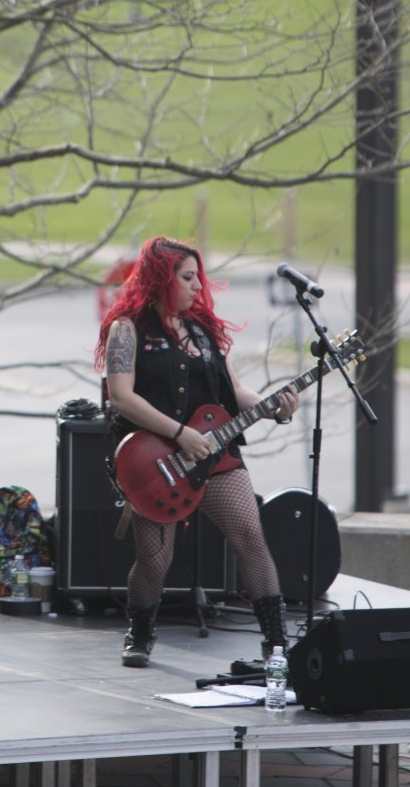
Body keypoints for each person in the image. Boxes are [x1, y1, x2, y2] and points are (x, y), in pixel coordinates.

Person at [95, 236, 299, 669]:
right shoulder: (128, 328)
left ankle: (276, 646)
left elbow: (235, 391)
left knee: (250, 535)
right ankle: (141, 631)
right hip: (156, 461)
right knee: (154, 560)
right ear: (161, 278)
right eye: (187, 278)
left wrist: (274, 405)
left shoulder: (204, 331)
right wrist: (181, 433)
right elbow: (121, 396)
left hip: (217, 454)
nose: (197, 287)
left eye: (198, 278)